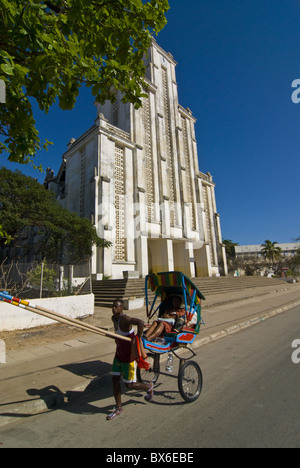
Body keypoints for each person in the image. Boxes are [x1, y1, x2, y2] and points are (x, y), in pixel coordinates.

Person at [107, 299, 154, 421]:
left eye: (116, 307)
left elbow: (140, 322)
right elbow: (119, 334)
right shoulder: (114, 318)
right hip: (119, 353)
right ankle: (118, 408)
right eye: (113, 306)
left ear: (122, 308)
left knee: (129, 385)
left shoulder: (124, 318)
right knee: (115, 379)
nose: (114, 309)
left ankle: (148, 386)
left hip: (129, 356)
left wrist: (137, 338)